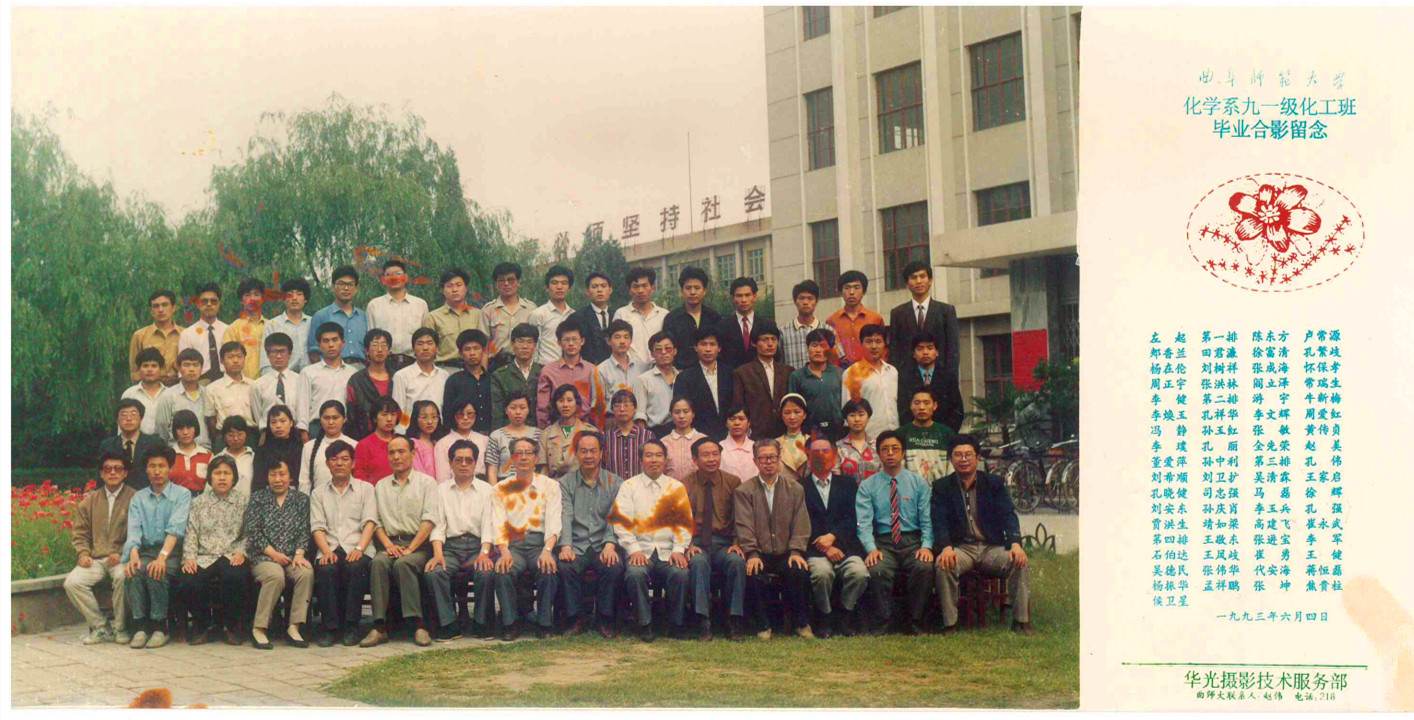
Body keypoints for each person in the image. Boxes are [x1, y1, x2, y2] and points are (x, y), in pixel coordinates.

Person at [932, 434, 1033, 634]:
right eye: (958, 455)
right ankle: (950, 623)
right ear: (951, 459)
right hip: (961, 548)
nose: (963, 459)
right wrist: (946, 547)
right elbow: (939, 521)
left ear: (977, 458)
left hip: (991, 547)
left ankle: (1021, 621)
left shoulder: (994, 483)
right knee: (944, 565)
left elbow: (1008, 514)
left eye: (968, 455)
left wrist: (1015, 544)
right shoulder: (942, 487)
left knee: (1019, 562)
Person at [611, 440, 693, 642]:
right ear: (641, 460)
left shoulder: (676, 487)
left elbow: (684, 523)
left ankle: (675, 623)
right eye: (648, 455)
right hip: (640, 549)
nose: (654, 460)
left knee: (680, 573)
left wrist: (679, 549)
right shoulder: (628, 486)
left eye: (658, 455)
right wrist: (634, 549)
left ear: (665, 460)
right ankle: (645, 623)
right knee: (635, 574)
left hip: (668, 549)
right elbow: (621, 523)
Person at [363, 436, 439, 647]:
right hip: (390, 544)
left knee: (404, 563)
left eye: (401, 451)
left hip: (419, 545)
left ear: (413, 454)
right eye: (392, 452)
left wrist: (411, 548)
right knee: (378, 562)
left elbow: (429, 520)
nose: (396, 457)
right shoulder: (380, 486)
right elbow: (376, 521)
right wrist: (388, 545)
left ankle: (418, 625)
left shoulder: (427, 483)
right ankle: (379, 627)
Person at [734, 439, 814, 640]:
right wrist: (752, 553)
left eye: (772, 457)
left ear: (779, 459)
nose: (768, 462)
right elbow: (744, 524)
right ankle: (763, 626)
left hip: (787, 551)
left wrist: (796, 550)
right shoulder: (744, 491)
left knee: (798, 570)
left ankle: (802, 624)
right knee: (753, 572)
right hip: (759, 552)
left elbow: (801, 522)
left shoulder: (795, 488)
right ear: (755, 461)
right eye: (763, 458)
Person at [856, 431, 934, 635]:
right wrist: (871, 549)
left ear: (903, 453)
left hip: (912, 541)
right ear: (878, 454)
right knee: (877, 569)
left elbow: (927, 520)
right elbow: (864, 524)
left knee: (924, 567)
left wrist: (926, 546)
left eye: (895, 449)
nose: (890, 453)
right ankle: (883, 623)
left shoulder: (919, 483)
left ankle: (916, 622)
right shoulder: (868, 486)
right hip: (883, 543)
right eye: (885, 449)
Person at [491, 437, 563, 640]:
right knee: (503, 570)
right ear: (512, 458)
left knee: (548, 568)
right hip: (513, 546)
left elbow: (554, 521)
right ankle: (510, 624)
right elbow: (498, 523)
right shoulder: (500, 488)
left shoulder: (550, 486)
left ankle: (544, 623)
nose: (523, 457)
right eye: (518, 453)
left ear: (536, 458)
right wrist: (504, 552)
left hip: (540, 544)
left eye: (528, 452)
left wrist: (547, 551)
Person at [556, 431, 626, 638]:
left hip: (602, 543)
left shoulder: (615, 482)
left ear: (601, 454)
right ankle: (575, 619)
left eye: (593, 451)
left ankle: (604, 619)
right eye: (583, 451)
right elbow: (565, 515)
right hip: (576, 544)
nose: (588, 456)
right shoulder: (565, 483)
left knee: (613, 567)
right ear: (576, 454)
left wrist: (610, 545)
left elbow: (615, 517)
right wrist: (566, 546)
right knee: (565, 566)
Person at [425, 440, 496, 642]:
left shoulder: (487, 490)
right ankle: (448, 624)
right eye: (458, 460)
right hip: (450, 548)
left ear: (476, 463)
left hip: (477, 547)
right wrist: (438, 554)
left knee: (486, 571)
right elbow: (438, 525)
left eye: (469, 460)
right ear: (450, 463)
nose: (464, 464)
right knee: (434, 573)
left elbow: (488, 524)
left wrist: (484, 554)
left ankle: (482, 623)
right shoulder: (440, 490)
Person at [122, 445, 192, 649]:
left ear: (170, 468)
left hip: (173, 552)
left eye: (162, 466)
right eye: (152, 466)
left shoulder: (182, 494)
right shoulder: (139, 498)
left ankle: (161, 627)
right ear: (146, 469)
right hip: (146, 551)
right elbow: (134, 530)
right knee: (134, 571)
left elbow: (176, 529)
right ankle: (140, 626)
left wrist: (162, 557)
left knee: (155, 571)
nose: (157, 471)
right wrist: (133, 553)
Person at [65, 451, 137, 645]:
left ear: (125, 473)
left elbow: (139, 532)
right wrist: (83, 553)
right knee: (72, 582)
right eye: (107, 469)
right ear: (101, 473)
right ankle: (101, 627)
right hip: (96, 559)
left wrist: (122, 553)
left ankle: (121, 628)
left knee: (122, 576)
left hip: (122, 558)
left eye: (118, 469)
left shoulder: (135, 498)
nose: (112, 472)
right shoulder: (89, 501)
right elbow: (80, 533)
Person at [309, 440, 377, 647]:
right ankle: (330, 628)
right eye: (334, 459)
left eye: (345, 459)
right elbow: (317, 527)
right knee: (326, 569)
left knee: (355, 568)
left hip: (358, 546)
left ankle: (351, 627)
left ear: (353, 463)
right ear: (327, 464)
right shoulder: (318, 493)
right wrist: (326, 551)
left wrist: (359, 548)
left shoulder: (366, 489)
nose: (339, 463)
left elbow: (370, 522)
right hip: (329, 547)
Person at [176, 455, 249, 646]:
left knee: (236, 576)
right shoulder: (198, 503)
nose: (222, 477)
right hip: (204, 556)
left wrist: (241, 552)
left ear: (234, 478)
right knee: (188, 580)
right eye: (217, 473)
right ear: (210, 477)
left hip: (231, 554)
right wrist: (189, 558)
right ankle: (203, 626)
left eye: (227, 473)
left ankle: (229, 627)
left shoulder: (243, 502)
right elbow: (191, 532)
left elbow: (248, 533)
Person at [800, 435, 868, 637]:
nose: (820, 455)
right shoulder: (799, 487)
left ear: (835, 456)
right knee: (822, 574)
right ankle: (825, 617)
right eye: (815, 452)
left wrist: (834, 537)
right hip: (815, 549)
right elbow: (799, 523)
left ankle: (845, 614)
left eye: (825, 451)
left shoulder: (848, 484)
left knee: (859, 573)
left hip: (845, 546)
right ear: (808, 456)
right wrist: (826, 547)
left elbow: (853, 518)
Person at [243, 458, 313, 649]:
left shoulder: (301, 500)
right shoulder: (258, 499)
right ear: (267, 477)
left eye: (282, 474)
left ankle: (294, 626)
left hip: (292, 556)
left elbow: (304, 530)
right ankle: (259, 628)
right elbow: (253, 531)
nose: (278, 479)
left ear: (290, 477)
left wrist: (299, 554)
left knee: (305, 573)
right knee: (275, 575)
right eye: (273, 474)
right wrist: (273, 554)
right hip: (264, 556)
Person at [682, 437, 746, 640]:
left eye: (715, 454)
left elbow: (740, 517)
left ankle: (734, 619)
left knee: (736, 562)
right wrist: (688, 545)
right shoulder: (685, 484)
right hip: (697, 542)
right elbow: (679, 519)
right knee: (698, 563)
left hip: (723, 543)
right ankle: (702, 620)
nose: (711, 459)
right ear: (695, 459)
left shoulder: (733, 482)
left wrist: (737, 543)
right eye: (705, 455)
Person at [887, 261, 960, 386]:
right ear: (907, 284)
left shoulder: (946, 311)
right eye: (913, 278)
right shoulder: (897, 313)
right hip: (907, 381)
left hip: (939, 379)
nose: (919, 281)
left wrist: (950, 381)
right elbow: (894, 351)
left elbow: (953, 351)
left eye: (922, 276)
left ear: (930, 281)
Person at [536, 321, 608, 429]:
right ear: (559, 343)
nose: (571, 344)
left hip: (586, 427)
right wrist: (547, 432)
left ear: (582, 341)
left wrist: (595, 431)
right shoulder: (548, 371)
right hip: (557, 428)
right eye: (566, 340)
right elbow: (543, 407)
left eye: (575, 339)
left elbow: (598, 405)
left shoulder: (592, 370)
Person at [367, 259, 430, 373]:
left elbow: (426, 337)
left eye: (398, 274)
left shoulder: (420, 304)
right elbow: (371, 338)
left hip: (413, 363)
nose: (394, 278)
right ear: (383, 279)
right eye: (389, 274)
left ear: (405, 277)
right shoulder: (374, 305)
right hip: (384, 364)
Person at [731, 325, 792, 439]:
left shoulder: (788, 371)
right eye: (764, 340)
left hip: (784, 433)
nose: (770, 344)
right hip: (756, 433)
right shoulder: (742, 373)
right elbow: (739, 406)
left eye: (774, 339)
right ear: (754, 343)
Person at [673, 327, 734, 441]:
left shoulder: (731, 373)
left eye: (712, 344)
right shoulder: (685, 377)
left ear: (719, 348)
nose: (708, 349)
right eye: (703, 344)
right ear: (696, 347)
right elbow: (682, 409)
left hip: (729, 435)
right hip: (698, 436)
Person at [897, 332, 965, 433]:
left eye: (929, 348)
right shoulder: (905, 378)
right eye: (920, 349)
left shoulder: (948, 377)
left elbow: (957, 410)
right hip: (914, 434)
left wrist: (945, 433)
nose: (925, 352)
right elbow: (902, 409)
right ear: (914, 354)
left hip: (943, 434)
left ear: (937, 352)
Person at [842, 323, 900, 439]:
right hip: (869, 437)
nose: (874, 346)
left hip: (894, 434)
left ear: (884, 344)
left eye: (878, 341)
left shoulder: (893, 371)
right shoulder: (852, 373)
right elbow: (848, 411)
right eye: (869, 342)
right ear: (861, 344)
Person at [301, 322, 358, 432]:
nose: (331, 345)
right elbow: (303, 406)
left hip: (346, 427)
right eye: (326, 341)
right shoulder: (308, 372)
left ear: (343, 343)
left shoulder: (353, 373)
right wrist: (303, 431)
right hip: (317, 427)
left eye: (335, 340)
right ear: (319, 345)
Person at [423, 268, 486, 367]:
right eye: (449, 286)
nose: (454, 290)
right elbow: (427, 348)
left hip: (472, 369)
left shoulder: (478, 315)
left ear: (466, 288)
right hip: (446, 368)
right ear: (443, 290)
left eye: (459, 285)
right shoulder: (433, 317)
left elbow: (485, 347)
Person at [391, 327, 451, 433]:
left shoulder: (445, 376)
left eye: (430, 343)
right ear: (413, 349)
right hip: (411, 433)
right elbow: (399, 410)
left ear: (436, 348)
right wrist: (404, 432)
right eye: (420, 344)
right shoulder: (401, 376)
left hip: (439, 433)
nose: (425, 348)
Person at [307, 266, 369, 367]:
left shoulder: (363, 317)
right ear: (333, 287)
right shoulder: (321, 316)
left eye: (350, 284)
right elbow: (314, 350)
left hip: (360, 368)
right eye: (341, 284)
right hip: (330, 368)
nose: (346, 288)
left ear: (356, 289)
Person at [788, 328, 844, 438]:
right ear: (807, 348)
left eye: (823, 346)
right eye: (814, 345)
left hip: (837, 431)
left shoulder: (839, 373)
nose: (818, 350)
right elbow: (793, 406)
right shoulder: (797, 376)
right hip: (808, 432)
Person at [251, 333, 308, 438]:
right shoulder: (258, 384)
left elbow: (303, 409)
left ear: (289, 354)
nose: (278, 356)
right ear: (267, 355)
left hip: (296, 434)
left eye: (282, 351)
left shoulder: (300, 380)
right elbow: (258, 415)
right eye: (274, 352)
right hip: (269, 435)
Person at [664, 266, 721, 369]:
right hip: (681, 373)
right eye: (688, 288)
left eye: (697, 288)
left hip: (710, 372)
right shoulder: (672, 318)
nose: (693, 292)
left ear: (704, 291)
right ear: (682, 291)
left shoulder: (714, 317)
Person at [489, 324, 544, 431]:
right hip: (510, 431)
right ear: (512, 344)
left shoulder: (544, 372)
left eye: (529, 342)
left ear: (535, 345)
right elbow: (497, 413)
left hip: (538, 432)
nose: (525, 346)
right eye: (520, 342)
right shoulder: (500, 375)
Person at [153, 349, 212, 449]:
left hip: (205, 450)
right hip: (176, 452)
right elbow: (161, 430)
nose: (192, 369)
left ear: (201, 368)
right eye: (187, 365)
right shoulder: (168, 396)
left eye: (196, 365)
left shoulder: (208, 394)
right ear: (179, 368)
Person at [717, 277, 780, 370]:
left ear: (755, 297)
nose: (743, 300)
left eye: (747, 295)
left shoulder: (767, 324)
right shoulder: (722, 326)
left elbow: (776, 357)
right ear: (732, 298)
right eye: (739, 296)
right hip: (732, 376)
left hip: (761, 375)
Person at [481, 262, 535, 370]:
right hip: (496, 366)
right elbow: (483, 347)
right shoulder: (488, 310)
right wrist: (483, 374)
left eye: (511, 280)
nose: (506, 284)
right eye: (501, 280)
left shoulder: (531, 309)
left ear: (518, 282)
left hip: (524, 365)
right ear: (496, 284)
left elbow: (536, 341)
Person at [101, 398, 165, 490]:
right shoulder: (108, 445)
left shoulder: (154, 443)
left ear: (141, 418)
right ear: (117, 420)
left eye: (133, 415)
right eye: (124, 415)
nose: (129, 419)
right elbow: (102, 476)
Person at [826, 270, 885, 368]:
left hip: (870, 369)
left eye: (857, 288)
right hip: (842, 372)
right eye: (847, 288)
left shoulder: (875, 318)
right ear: (841, 292)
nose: (852, 292)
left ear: (864, 292)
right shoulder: (832, 321)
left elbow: (883, 348)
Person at [442, 329, 494, 437]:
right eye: (467, 349)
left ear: (484, 351)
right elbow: (447, 413)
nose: (472, 353)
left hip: (491, 436)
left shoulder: (492, 380)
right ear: (461, 354)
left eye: (476, 348)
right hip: (463, 436)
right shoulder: (454, 380)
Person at [344, 329, 394, 440]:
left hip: (395, 437)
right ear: (366, 351)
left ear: (389, 350)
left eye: (384, 345)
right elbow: (352, 416)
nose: (380, 350)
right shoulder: (356, 380)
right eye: (375, 345)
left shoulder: (397, 378)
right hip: (364, 437)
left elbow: (404, 411)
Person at [539, 385, 598, 479]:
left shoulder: (590, 431)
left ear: (577, 403)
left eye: (569, 400)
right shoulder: (546, 434)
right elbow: (544, 471)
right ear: (555, 404)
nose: (565, 405)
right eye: (561, 401)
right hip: (555, 484)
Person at [612, 267, 669, 364]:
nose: (640, 290)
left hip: (659, 367)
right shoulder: (621, 314)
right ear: (630, 290)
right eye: (635, 287)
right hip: (630, 368)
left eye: (644, 286)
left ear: (652, 288)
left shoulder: (664, 314)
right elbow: (616, 345)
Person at [204, 341, 256, 444]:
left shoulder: (254, 386)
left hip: (251, 436)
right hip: (224, 437)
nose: (235, 361)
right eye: (230, 357)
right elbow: (211, 420)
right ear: (222, 361)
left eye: (239, 356)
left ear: (244, 359)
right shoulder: (212, 388)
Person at [129, 290, 184, 386]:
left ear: (173, 308)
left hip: (179, 386)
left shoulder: (185, 334)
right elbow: (135, 371)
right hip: (151, 387)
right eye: (156, 306)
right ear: (151, 311)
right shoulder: (140, 336)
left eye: (165, 305)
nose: (160, 310)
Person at [260, 277, 313, 376]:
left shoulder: (313, 323)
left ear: (305, 299)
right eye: (290, 294)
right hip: (283, 378)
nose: (294, 298)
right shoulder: (273, 325)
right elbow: (265, 361)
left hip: (310, 378)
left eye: (299, 294)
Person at [484, 390, 539, 485]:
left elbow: (542, 467)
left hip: (532, 486)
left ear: (528, 410)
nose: (518, 412)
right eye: (513, 408)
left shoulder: (538, 434)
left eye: (522, 408)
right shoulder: (496, 436)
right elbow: (492, 470)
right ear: (506, 410)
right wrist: (495, 491)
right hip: (505, 486)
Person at [631, 332, 680, 437]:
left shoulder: (682, 377)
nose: (663, 352)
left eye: (668, 348)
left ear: (675, 351)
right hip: (655, 433)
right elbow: (639, 415)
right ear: (652, 354)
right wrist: (644, 439)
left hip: (680, 431)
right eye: (658, 349)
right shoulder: (643, 380)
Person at [176, 283, 228, 382]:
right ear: (198, 304)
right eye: (204, 301)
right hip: (199, 382)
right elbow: (183, 367)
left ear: (219, 304)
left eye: (213, 301)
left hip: (225, 381)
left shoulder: (228, 330)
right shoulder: (188, 334)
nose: (209, 304)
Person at [902, 388, 956, 482]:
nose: (921, 407)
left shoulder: (947, 433)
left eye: (926, 403)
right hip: (910, 489)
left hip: (941, 489)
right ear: (911, 405)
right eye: (917, 403)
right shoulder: (901, 433)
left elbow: (953, 467)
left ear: (934, 405)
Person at [299, 400, 354, 492]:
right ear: (320, 419)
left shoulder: (354, 445)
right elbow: (304, 482)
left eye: (335, 418)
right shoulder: (308, 447)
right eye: (326, 418)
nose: (331, 422)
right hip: (318, 499)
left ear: (344, 419)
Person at [529, 264, 576, 366]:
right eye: (554, 283)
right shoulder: (538, 314)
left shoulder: (575, 315)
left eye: (564, 283)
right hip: (545, 368)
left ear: (569, 288)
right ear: (547, 287)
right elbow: (533, 347)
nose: (559, 287)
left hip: (571, 368)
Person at [567, 270, 616, 365]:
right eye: (594, 287)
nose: (599, 290)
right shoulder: (577, 317)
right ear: (588, 292)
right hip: (587, 368)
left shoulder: (617, 315)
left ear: (610, 290)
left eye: (603, 286)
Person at [222, 278, 267, 380]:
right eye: (247, 295)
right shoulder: (233, 329)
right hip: (241, 383)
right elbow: (228, 360)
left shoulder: (271, 326)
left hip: (267, 383)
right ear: (241, 300)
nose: (252, 299)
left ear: (262, 298)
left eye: (256, 294)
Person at [434, 399, 489, 482]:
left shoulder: (484, 440)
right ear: (453, 416)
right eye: (460, 414)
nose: (465, 418)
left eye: (470, 414)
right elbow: (442, 478)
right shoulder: (443, 444)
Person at [602, 389, 652, 481]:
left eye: (626, 405)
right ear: (612, 409)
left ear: (635, 408)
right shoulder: (606, 437)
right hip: (613, 488)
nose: (622, 409)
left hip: (641, 487)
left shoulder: (647, 436)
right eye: (617, 406)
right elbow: (602, 468)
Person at [780, 279, 830, 370]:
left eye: (810, 298)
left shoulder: (828, 330)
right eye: (801, 298)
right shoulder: (783, 332)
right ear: (795, 301)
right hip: (793, 379)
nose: (806, 302)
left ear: (816, 301)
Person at [252, 405, 303, 493]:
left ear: (291, 423)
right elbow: (258, 483)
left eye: (283, 421)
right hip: (267, 496)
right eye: (273, 422)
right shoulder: (262, 452)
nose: (278, 426)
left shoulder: (301, 449)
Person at [596, 319, 647, 401]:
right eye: (617, 337)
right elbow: (598, 404)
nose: (622, 341)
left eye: (626, 337)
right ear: (608, 341)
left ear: (631, 341)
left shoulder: (642, 368)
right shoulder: (601, 371)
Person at [354, 397, 401, 485]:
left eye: (393, 414)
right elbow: (360, 478)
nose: (389, 419)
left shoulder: (401, 443)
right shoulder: (364, 445)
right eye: (384, 414)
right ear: (375, 418)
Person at [121, 348, 167, 435]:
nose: (149, 370)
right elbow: (122, 424)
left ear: (161, 369)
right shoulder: (130, 394)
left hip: (165, 442)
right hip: (137, 442)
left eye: (154, 366)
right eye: (145, 366)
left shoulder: (170, 394)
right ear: (139, 369)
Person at [661, 397, 707, 480]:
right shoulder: (664, 443)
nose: (681, 416)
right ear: (671, 415)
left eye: (686, 412)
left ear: (693, 414)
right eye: (677, 412)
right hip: (671, 487)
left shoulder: (703, 440)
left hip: (698, 488)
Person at [168, 410, 212, 495]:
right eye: (180, 428)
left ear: (196, 429)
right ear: (175, 431)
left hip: (201, 500)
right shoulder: (168, 455)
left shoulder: (208, 456)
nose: (185, 432)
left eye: (189, 428)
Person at [836, 399, 881, 479]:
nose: (857, 419)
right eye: (852, 415)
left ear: (868, 417)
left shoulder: (878, 445)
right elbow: (836, 478)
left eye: (861, 415)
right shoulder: (838, 447)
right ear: (846, 419)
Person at [214, 417, 257, 496]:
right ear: (224, 436)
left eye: (240, 434)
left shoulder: (254, 458)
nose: (236, 438)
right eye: (231, 435)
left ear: (246, 434)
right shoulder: (217, 459)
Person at [407, 400, 444, 476]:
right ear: (416, 419)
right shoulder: (413, 444)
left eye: (434, 417)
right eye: (424, 417)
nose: (430, 422)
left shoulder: (439, 443)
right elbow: (418, 474)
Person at [777, 394, 811, 478]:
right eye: (787, 413)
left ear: (804, 415)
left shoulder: (813, 442)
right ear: (781, 415)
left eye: (797, 412)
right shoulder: (775, 443)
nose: (792, 417)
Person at [719, 406, 757, 481]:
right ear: (726, 423)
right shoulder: (719, 447)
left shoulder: (756, 447)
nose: (737, 423)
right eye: (732, 419)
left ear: (748, 423)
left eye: (741, 419)